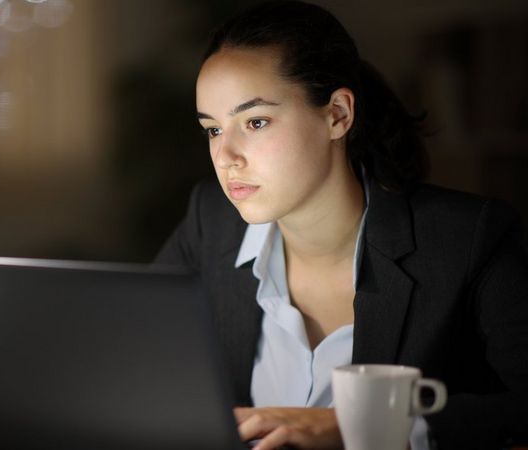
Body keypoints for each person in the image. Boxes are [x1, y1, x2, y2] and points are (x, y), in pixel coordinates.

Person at [154, 1, 528, 449]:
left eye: (255, 121)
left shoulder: (468, 239)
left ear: (337, 115)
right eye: (213, 129)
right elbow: (130, 353)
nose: (225, 157)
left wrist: (364, 429)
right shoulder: (209, 223)